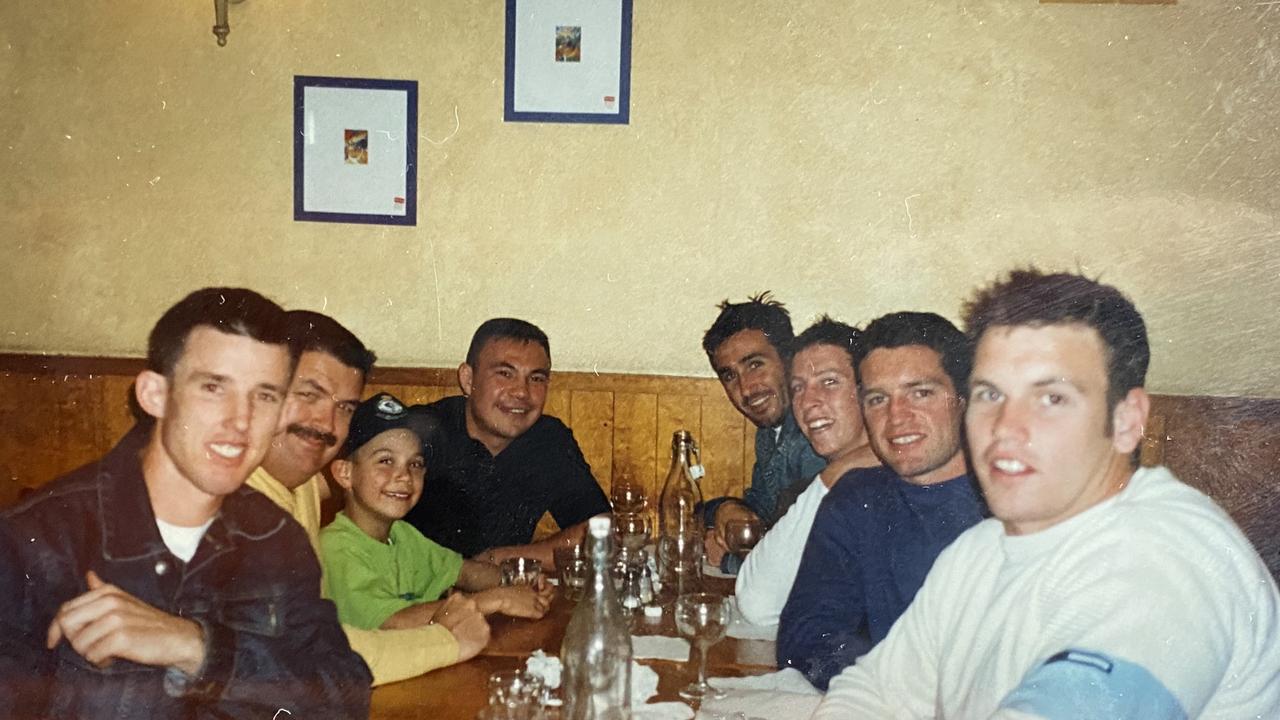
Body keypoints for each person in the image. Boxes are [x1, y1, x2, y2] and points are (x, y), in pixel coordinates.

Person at [815, 269, 1280, 718]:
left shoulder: (1170, 558)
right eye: (990, 395)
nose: (1005, 429)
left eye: (1051, 398)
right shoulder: (977, 554)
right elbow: (875, 693)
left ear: (1126, 420)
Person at [0, 288, 371, 719]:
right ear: (155, 394)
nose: (241, 421)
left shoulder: (274, 536)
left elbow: (345, 699)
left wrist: (195, 647)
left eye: (265, 396)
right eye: (214, 387)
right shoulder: (38, 539)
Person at [249, 310, 490, 685]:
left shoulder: (303, 487)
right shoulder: (237, 501)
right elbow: (303, 653)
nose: (327, 424)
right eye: (309, 394)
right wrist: (448, 641)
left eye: (344, 407)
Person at [778, 311, 985, 691]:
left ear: (963, 398)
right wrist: (892, 682)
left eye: (920, 392)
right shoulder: (857, 499)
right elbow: (806, 634)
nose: (896, 417)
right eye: (878, 399)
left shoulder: (1011, 504)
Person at [322, 392, 555, 630]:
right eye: (385, 461)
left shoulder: (401, 535)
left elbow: (463, 572)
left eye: (415, 464)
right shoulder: (335, 549)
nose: (404, 476)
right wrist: (497, 599)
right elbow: (391, 621)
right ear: (345, 473)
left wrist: (520, 582)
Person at [403, 318, 611, 567]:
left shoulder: (548, 440)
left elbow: (603, 530)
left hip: (500, 595)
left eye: (536, 378)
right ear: (468, 380)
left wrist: (499, 560)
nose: (522, 392)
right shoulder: (422, 432)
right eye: (505, 373)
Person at [734, 317, 880, 627]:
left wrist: (836, 473)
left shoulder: (892, 486)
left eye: (829, 382)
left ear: (867, 392)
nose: (808, 402)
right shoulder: (808, 490)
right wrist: (836, 472)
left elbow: (757, 603)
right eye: (798, 387)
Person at [701, 293, 825, 572]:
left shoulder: (815, 434)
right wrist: (723, 510)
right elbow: (759, 513)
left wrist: (729, 562)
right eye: (730, 375)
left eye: (755, 364)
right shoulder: (771, 433)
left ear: (788, 359)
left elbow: (806, 562)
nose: (746, 389)